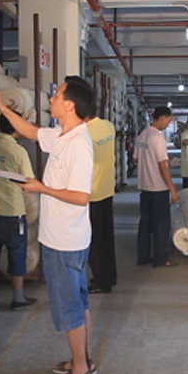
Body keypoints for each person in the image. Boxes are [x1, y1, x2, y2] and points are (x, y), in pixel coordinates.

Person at [0, 76, 96, 374]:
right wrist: (1, 108)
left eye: (56, 96)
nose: (51, 100)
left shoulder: (79, 146)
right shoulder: (62, 135)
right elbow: (30, 131)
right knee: (78, 301)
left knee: (69, 306)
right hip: (64, 237)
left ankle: (80, 367)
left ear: (69, 105)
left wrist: (41, 188)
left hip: (65, 240)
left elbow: (81, 197)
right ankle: (82, 359)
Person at [0, 111, 37, 310]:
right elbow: (27, 182)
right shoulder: (18, 152)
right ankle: (18, 297)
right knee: (17, 254)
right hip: (12, 213)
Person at [134, 106, 180, 267]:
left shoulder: (142, 135)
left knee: (145, 223)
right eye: (167, 121)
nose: (167, 124)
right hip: (158, 188)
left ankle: (143, 256)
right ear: (161, 118)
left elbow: (135, 159)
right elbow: (162, 166)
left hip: (144, 186)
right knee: (161, 225)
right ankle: (161, 258)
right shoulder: (158, 137)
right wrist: (173, 190)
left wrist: (148, 163)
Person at [85, 112, 117, 294]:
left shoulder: (85, 134)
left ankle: (101, 281)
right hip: (106, 190)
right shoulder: (108, 126)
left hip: (92, 194)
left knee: (94, 243)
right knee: (106, 239)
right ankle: (110, 276)